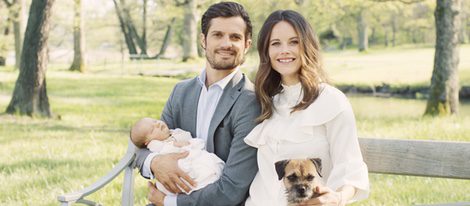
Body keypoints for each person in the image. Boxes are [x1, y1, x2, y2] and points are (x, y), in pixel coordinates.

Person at [135, 2, 261, 206]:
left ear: (247, 44)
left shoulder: (251, 101)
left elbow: (231, 190)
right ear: (203, 40)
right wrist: (155, 162)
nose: (226, 43)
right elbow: (144, 145)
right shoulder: (181, 92)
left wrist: (169, 202)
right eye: (218, 35)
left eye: (235, 37)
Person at [244, 10, 369, 206]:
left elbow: (350, 167)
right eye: (275, 43)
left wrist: (338, 197)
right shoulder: (266, 102)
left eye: (294, 42)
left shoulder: (332, 101)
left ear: (307, 46)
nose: (284, 50)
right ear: (266, 51)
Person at [130, 117, 224, 195]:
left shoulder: (174, 132)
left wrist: (183, 141)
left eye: (155, 121)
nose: (158, 124)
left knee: (207, 162)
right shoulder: (155, 145)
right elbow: (164, 152)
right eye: (152, 130)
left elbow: (188, 137)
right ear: (148, 142)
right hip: (180, 167)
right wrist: (174, 145)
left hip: (194, 156)